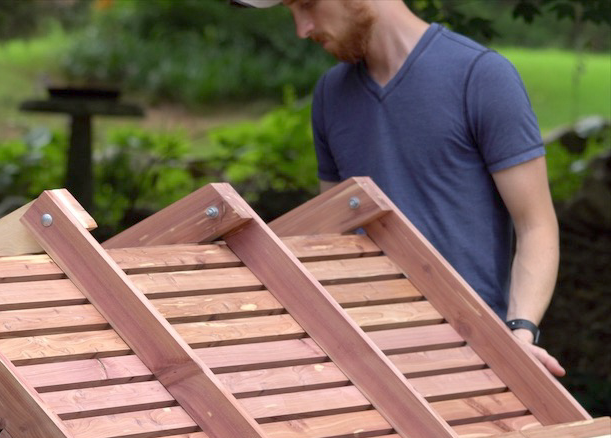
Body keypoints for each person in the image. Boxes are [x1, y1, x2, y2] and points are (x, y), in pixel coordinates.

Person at [235, 0, 565, 376]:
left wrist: (520, 332)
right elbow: (328, 235)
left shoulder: (481, 75)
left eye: (307, 5)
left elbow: (536, 226)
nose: (302, 29)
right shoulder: (329, 95)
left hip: (473, 357)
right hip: (363, 361)